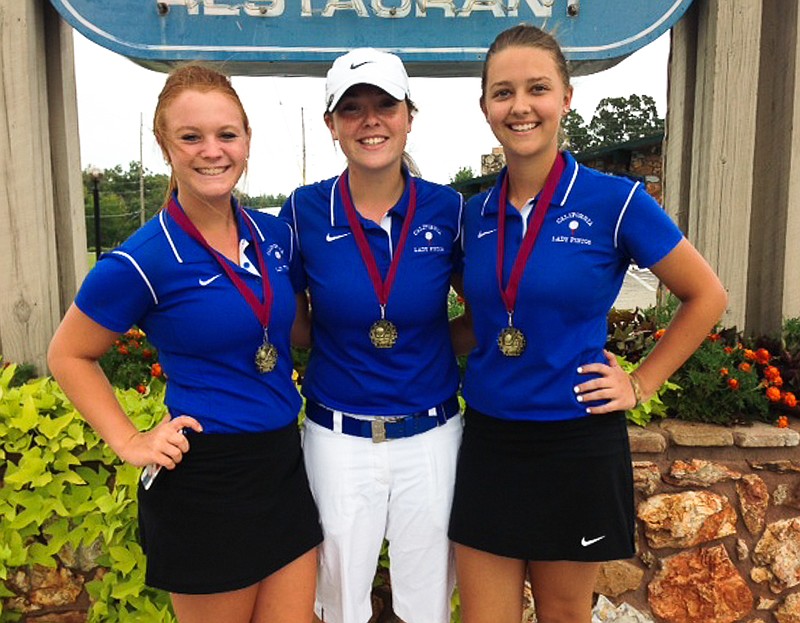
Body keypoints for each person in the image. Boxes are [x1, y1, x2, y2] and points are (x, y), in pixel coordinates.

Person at [447, 24, 728, 623]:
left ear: (566, 98)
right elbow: (483, 318)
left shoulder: (615, 200)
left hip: (576, 444)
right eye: (503, 93)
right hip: (491, 443)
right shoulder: (473, 214)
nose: (520, 107)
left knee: (563, 615)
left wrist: (641, 382)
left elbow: (706, 295)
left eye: (537, 89)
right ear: (485, 108)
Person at [47, 64, 322, 623]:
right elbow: (67, 354)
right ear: (164, 146)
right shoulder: (141, 259)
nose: (211, 151)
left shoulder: (274, 237)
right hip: (206, 481)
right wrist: (129, 440)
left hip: (283, 467)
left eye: (227, 134)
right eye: (190, 137)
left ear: (247, 140)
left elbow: (297, 324)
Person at [281, 48, 465, 623]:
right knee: (338, 603)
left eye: (385, 105)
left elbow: (495, 310)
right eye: (352, 108)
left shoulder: (448, 209)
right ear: (331, 124)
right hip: (338, 439)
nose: (370, 120)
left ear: (410, 114)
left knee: (427, 604)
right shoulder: (304, 210)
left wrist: (430, 345)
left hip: (432, 435)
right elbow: (291, 319)